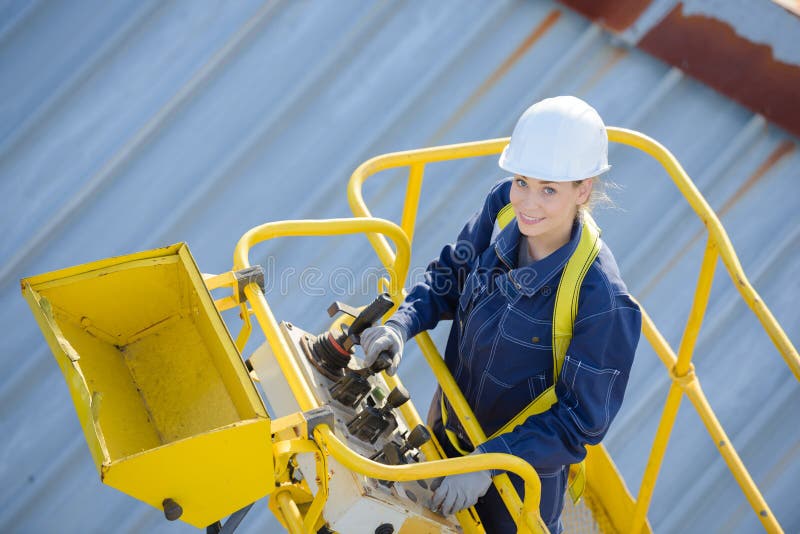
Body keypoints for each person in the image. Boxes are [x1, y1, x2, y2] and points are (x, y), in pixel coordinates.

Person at [360, 96, 641, 533]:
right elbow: (450, 276)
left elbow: (579, 422)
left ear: (582, 190)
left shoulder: (600, 298)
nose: (528, 202)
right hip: (446, 434)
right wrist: (401, 323)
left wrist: (489, 464)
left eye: (549, 189)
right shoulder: (502, 210)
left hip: (514, 495)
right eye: (522, 181)